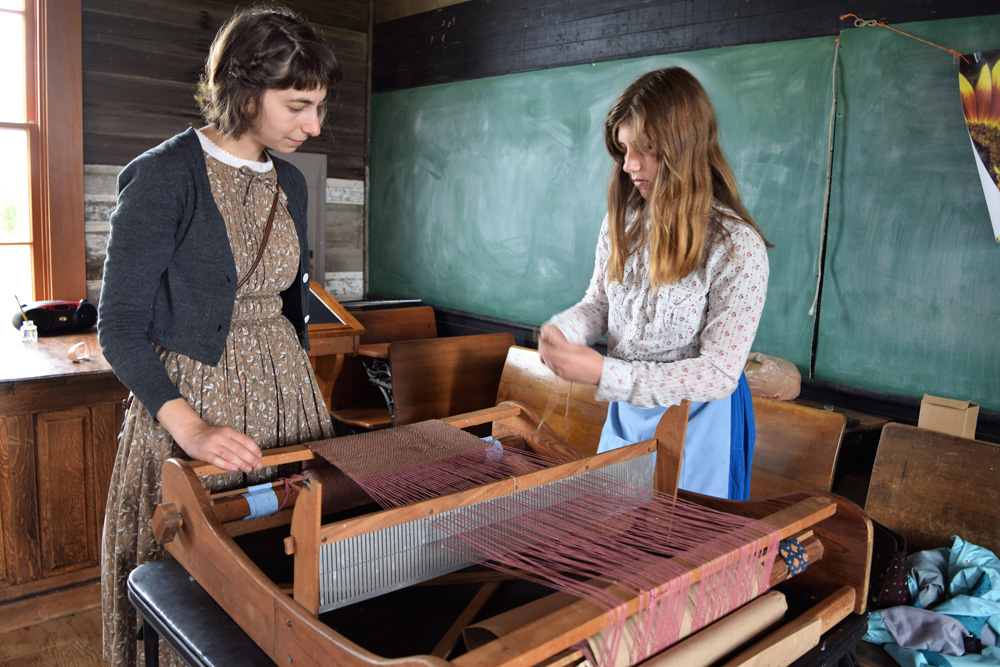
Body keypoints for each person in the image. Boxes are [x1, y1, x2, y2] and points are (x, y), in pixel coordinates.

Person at [97, 6, 341, 665]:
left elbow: (293, 308)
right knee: (197, 589)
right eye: (298, 105)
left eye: (318, 106)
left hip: (291, 409)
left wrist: (310, 398)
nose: (313, 125)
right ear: (245, 90)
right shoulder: (164, 174)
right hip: (195, 408)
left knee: (287, 571)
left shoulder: (289, 181)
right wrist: (194, 430)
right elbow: (117, 328)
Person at [539, 67, 771, 500]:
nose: (628, 165)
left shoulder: (737, 247)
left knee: (680, 556)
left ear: (683, 147)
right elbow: (600, 303)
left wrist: (606, 372)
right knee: (613, 539)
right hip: (627, 415)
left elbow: (719, 373)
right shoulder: (620, 224)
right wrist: (565, 330)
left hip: (701, 425)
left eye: (643, 149)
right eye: (623, 149)